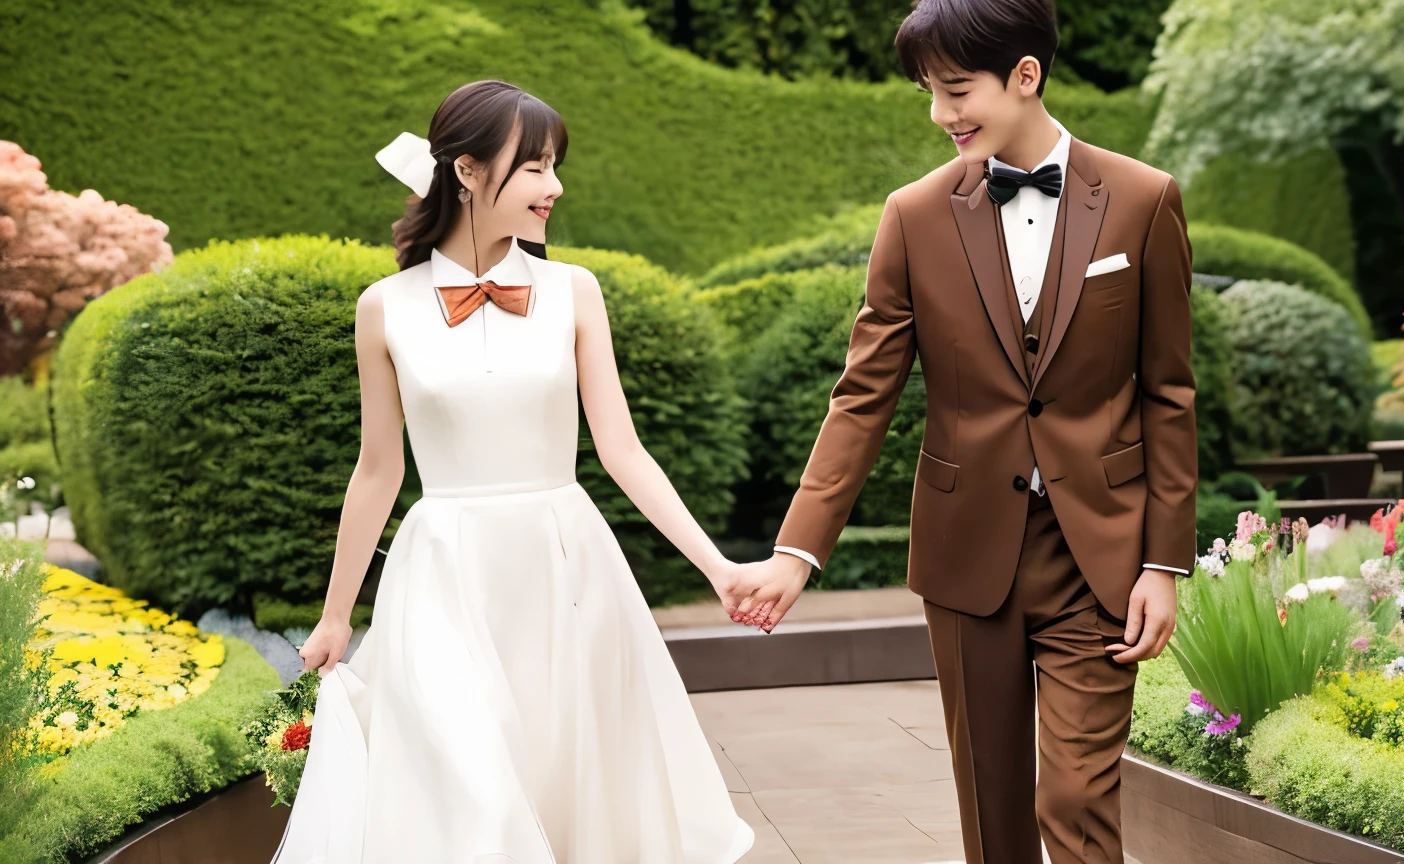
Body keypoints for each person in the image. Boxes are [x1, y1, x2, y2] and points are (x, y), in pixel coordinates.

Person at [729, 1, 1198, 861]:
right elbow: (863, 395)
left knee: (1076, 797)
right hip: (966, 550)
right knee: (992, 810)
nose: (940, 114)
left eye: (955, 90)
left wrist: (1163, 561)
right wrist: (796, 552)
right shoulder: (912, 215)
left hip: (1099, 550)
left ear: (1026, 77)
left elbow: (1168, 392)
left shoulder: (1142, 198)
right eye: (928, 93)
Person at [271, 79, 756, 864]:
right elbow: (377, 470)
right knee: (473, 788)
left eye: (553, 165)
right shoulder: (383, 308)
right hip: (442, 573)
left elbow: (623, 450)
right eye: (534, 167)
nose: (554, 186)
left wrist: (717, 567)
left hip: (565, 570)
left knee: (566, 785)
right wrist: (336, 616)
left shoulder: (575, 293)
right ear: (467, 172)